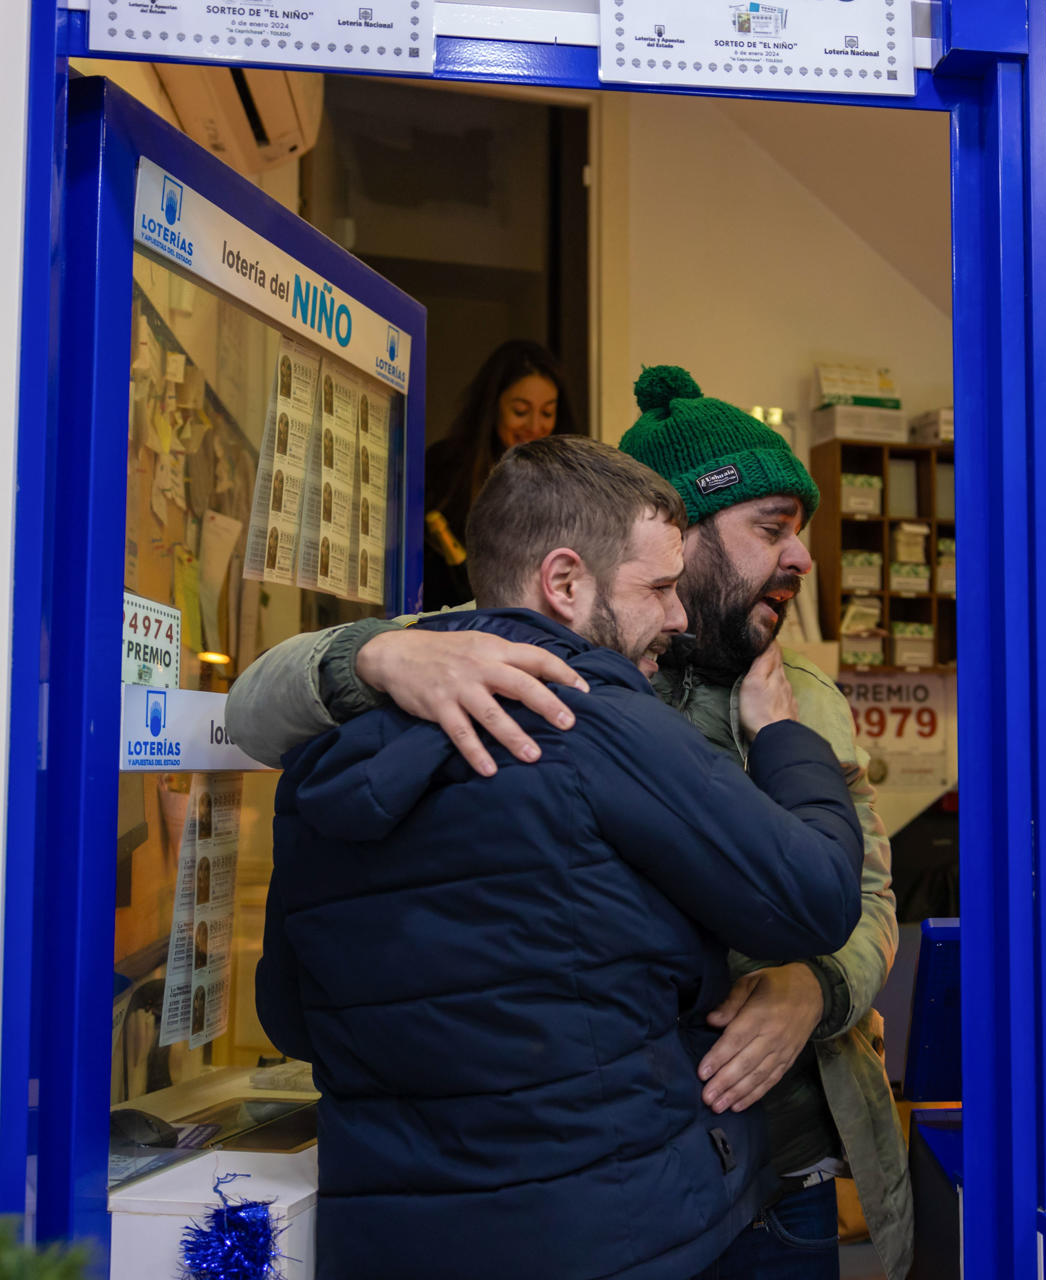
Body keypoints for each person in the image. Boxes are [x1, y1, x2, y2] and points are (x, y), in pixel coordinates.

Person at [229, 366, 912, 1279]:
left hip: (779, 1164)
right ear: (683, 535)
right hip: (628, 1192)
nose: (800, 559)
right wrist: (380, 652)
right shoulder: (482, 660)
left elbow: (864, 896)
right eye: (771, 529)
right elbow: (252, 707)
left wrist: (815, 988)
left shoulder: (802, 703)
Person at [422, 340, 582, 609]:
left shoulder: (567, 479)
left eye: (547, 412)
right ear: (492, 406)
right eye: (520, 411)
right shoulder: (447, 468)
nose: (534, 426)